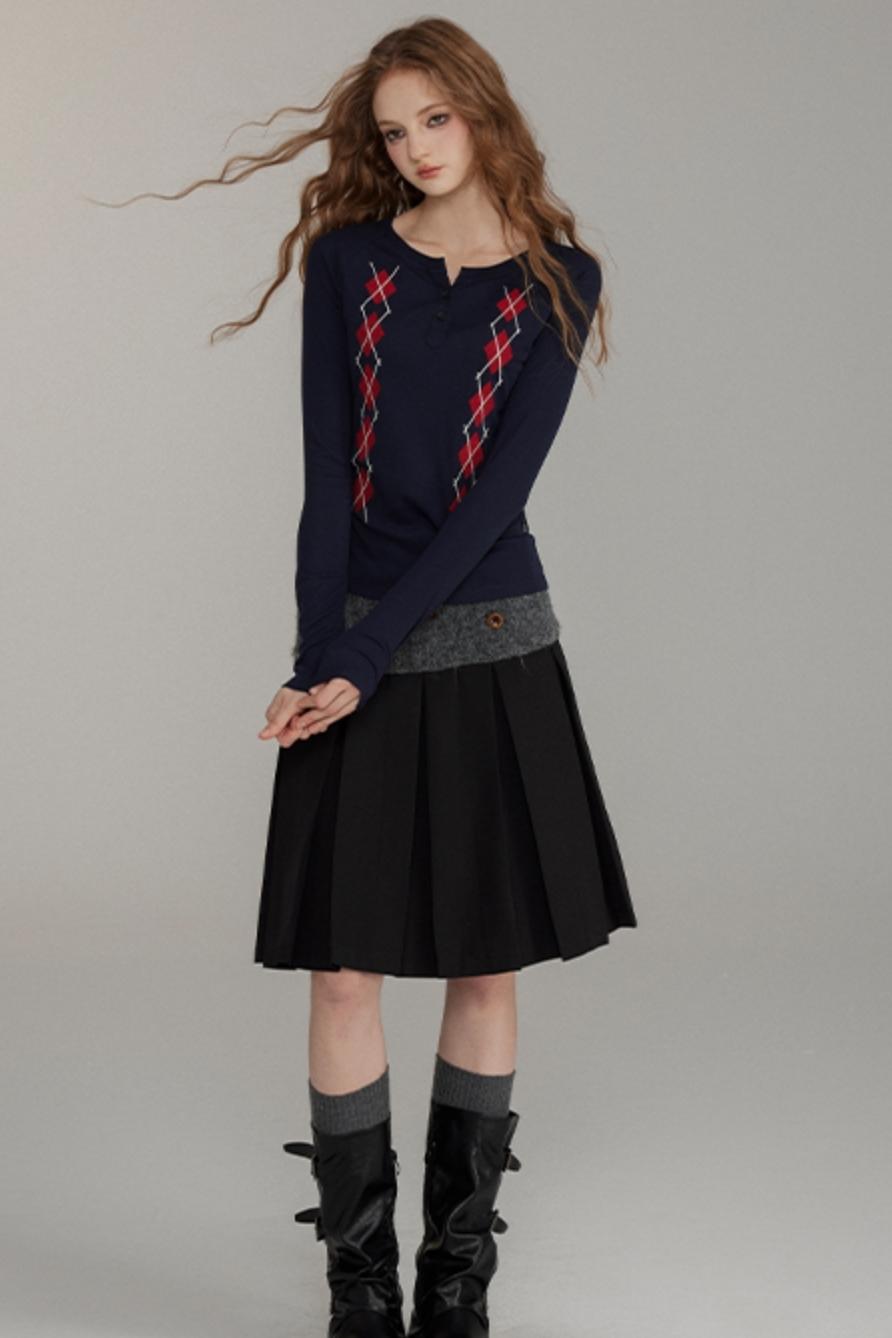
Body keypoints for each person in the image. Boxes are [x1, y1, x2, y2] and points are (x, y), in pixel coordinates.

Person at [137, 16, 638, 1337]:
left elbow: (490, 507)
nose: (415, 147)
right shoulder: (350, 263)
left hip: (491, 642)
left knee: (485, 965)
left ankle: (455, 1284)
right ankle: (360, 1294)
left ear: (483, 111)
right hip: (352, 646)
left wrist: (366, 654)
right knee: (344, 972)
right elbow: (327, 481)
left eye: (435, 118)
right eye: (393, 130)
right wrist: (323, 657)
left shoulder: (562, 279)